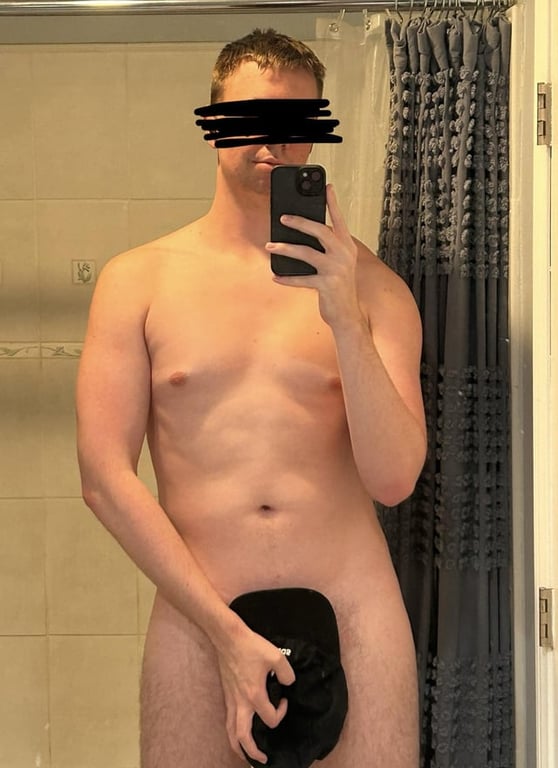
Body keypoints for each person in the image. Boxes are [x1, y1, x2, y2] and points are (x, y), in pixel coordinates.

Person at [76, 28, 426, 768]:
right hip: (199, 620)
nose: (273, 140)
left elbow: (394, 478)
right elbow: (103, 478)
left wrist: (344, 318)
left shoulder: (377, 291)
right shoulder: (137, 282)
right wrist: (224, 632)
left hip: (355, 616)